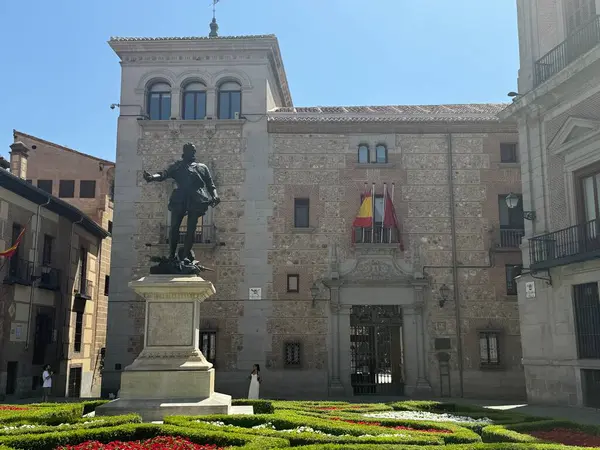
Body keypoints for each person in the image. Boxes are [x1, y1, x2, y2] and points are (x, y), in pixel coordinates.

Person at [143, 142, 220, 262]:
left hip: (196, 198)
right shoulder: (177, 166)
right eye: (190, 151)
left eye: (194, 151)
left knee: (191, 228)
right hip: (180, 198)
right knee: (174, 227)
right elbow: (163, 174)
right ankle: (172, 255)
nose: (193, 153)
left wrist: (215, 195)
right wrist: (152, 177)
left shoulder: (202, 167)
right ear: (185, 152)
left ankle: (184, 256)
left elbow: (211, 185)